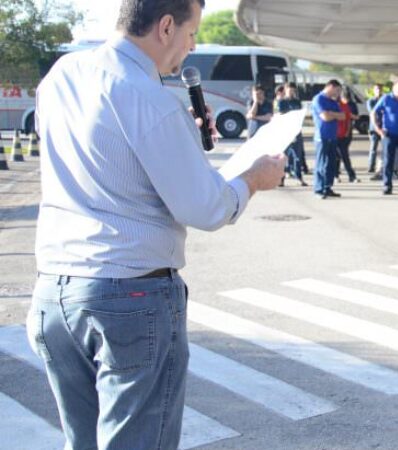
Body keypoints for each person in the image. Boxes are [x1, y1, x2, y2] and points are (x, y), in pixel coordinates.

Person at [30, 1, 284, 448]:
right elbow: (206, 208)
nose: (193, 46)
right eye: (191, 34)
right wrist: (254, 178)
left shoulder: (63, 74)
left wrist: (177, 136)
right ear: (166, 26)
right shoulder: (148, 97)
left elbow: (102, 152)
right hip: (129, 297)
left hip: (55, 292)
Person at [312, 80, 346, 199]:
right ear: (331, 87)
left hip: (333, 136)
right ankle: (318, 189)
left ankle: (328, 187)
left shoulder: (333, 102)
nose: (338, 93)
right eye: (337, 90)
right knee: (321, 164)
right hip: (322, 137)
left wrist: (332, 113)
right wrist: (333, 114)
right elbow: (325, 117)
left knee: (331, 164)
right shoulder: (318, 99)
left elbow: (343, 116)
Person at [275, 82, 307, 187]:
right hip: (285, 132)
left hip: (296, 131)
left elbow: (299, 116)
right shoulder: (282, 102)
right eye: (290, 90)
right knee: (284, 156)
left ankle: (299, 177)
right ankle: (281, 179)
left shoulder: (297, 102)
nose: (292, 92)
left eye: (294, 90)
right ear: (285, 90)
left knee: (298, 156)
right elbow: (282, 115)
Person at [335, 89, 359, 183]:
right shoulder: (333, 106)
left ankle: (349, 175)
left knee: (343, 155)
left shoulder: (346, 106)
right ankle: (338, 175)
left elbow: (349, 120)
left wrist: (348, 132)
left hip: (344, 135)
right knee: (338, 156)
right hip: (335, 135)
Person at [366, 83, 384, 176]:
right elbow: (373, 112)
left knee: (385, 148)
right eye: (377, 89)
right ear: (374, 90)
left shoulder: (384, 100)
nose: (379, 91)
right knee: (373, 148)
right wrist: (380, 112)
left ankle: (383, 166)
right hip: (374, 128)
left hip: (384, 128)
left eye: (380, 89)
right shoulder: (370, 101)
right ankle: (371, 166)